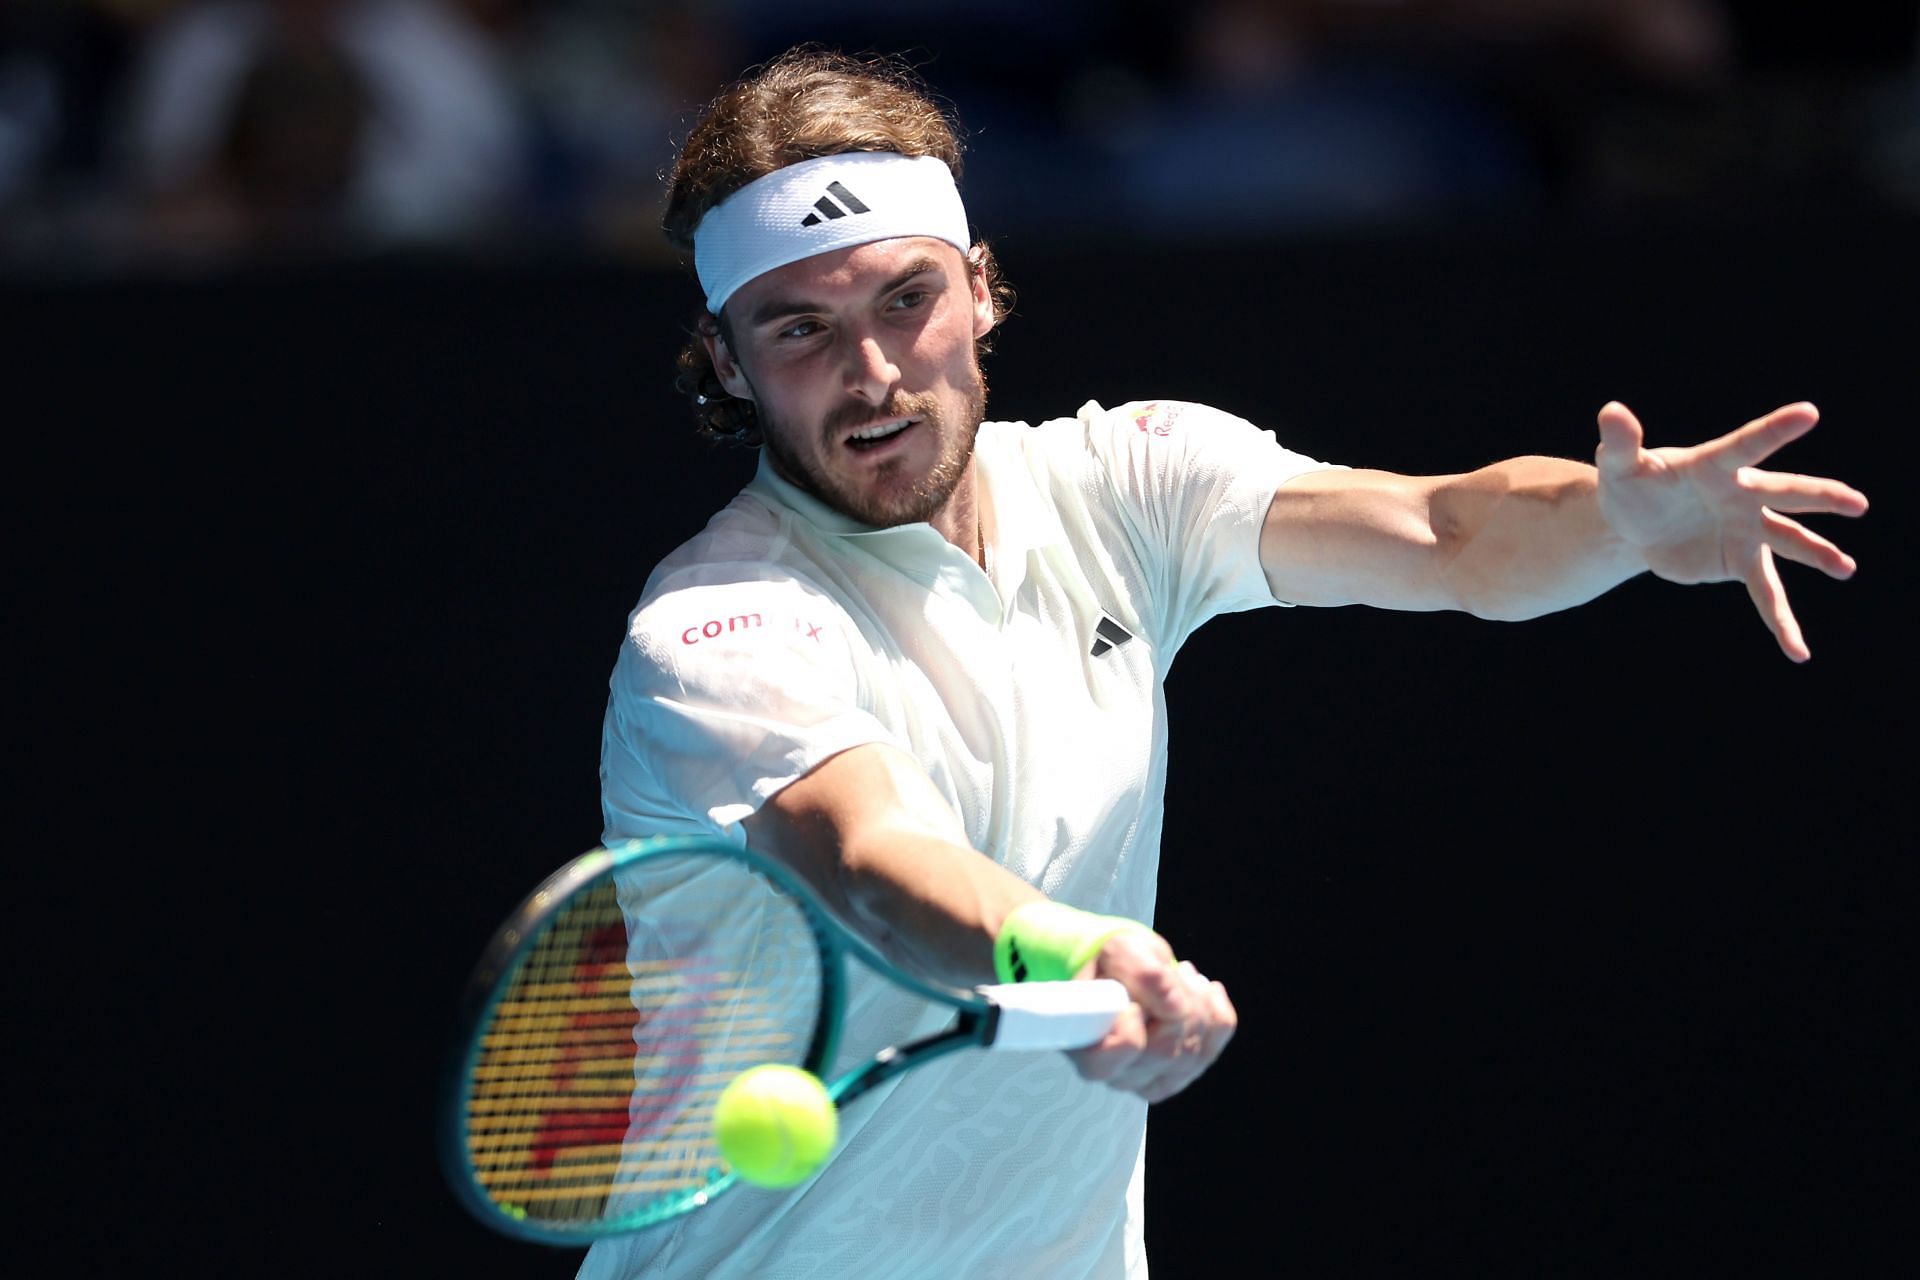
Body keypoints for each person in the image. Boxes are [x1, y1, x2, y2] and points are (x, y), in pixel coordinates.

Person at [587, 47, 1866, 1280]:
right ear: (726, 362)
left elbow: (1446, 530)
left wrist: (1614, 521)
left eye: (905, 298)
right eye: (798, 329)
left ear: (980, 287)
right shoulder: (717, 624)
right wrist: (1071, 952)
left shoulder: (1126, 485)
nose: (872, 371)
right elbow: (868, 861)